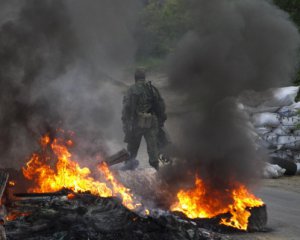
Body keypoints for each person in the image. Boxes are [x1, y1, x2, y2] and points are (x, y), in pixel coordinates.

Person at [122, 68, 167, 170]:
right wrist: (160, 121)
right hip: (151, 122)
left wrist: (126, 124)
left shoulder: (131, 90)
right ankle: (156, 169)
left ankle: (129, 169)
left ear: (135, 78)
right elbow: (161, 106)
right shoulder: (152, 89)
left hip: (136, 123)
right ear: (144, 77)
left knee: (132, 148)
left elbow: (126, 108)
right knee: (152, 148)